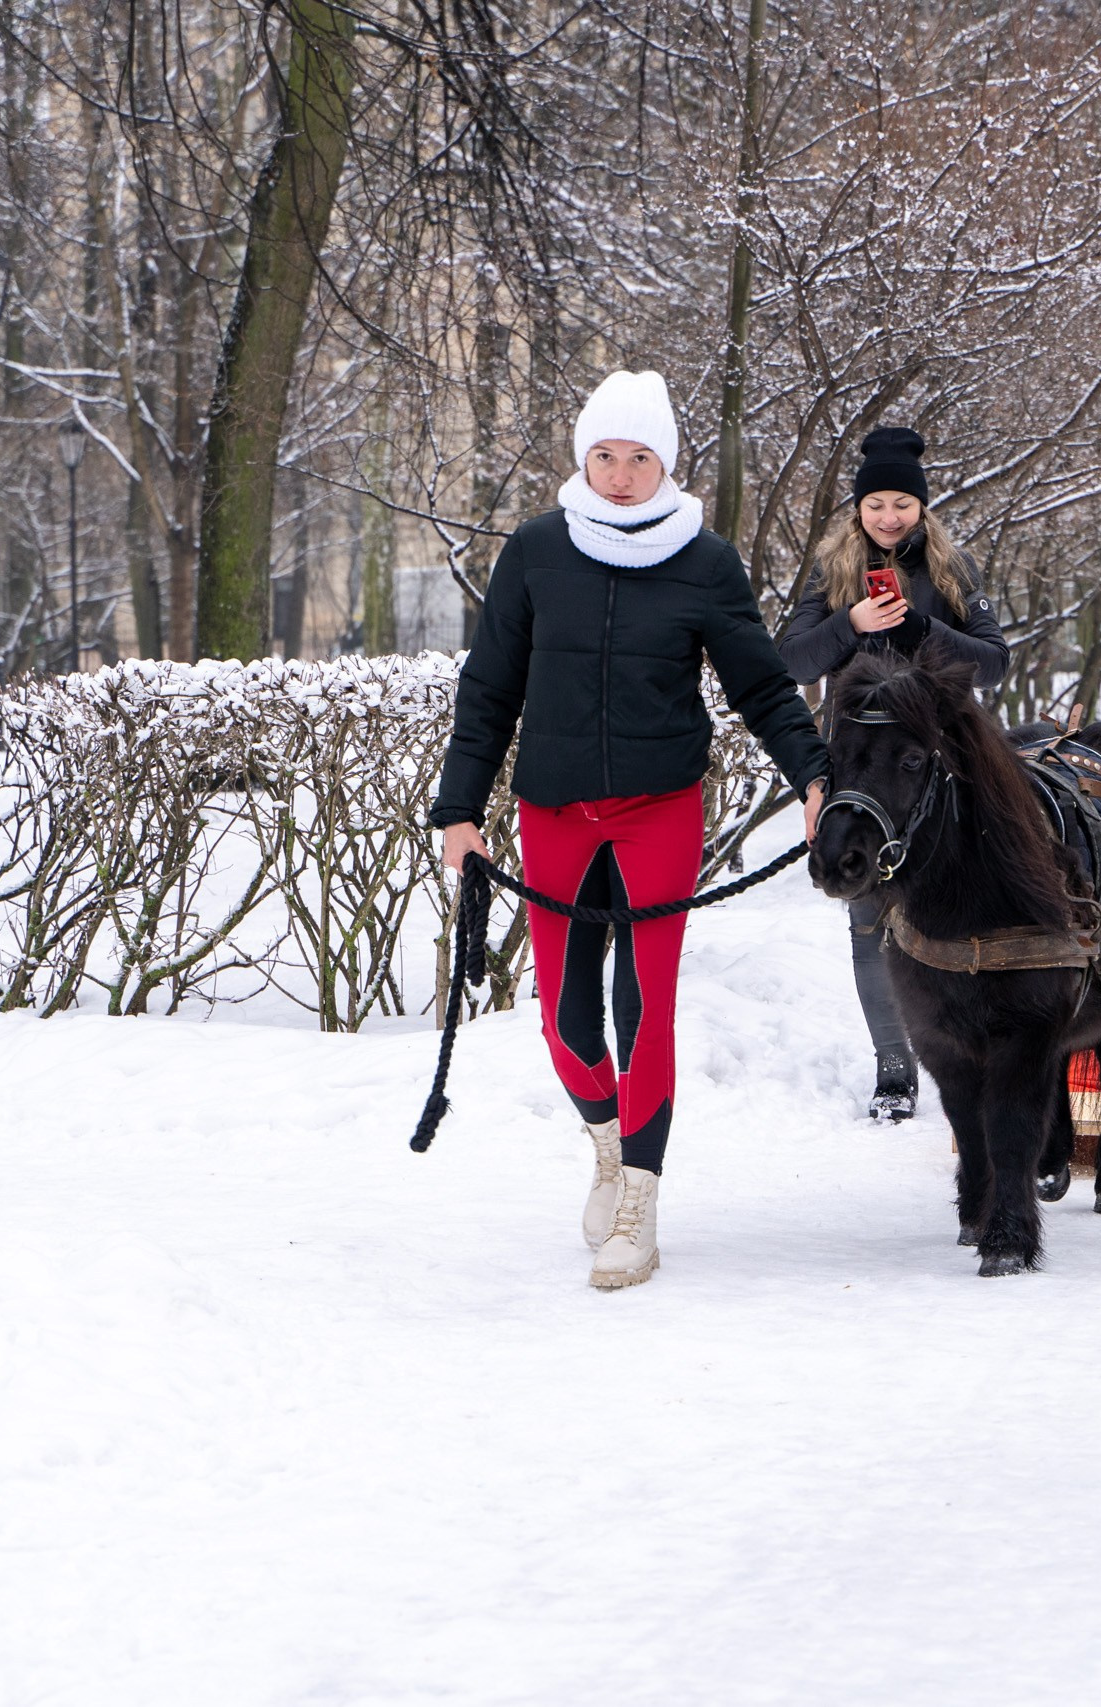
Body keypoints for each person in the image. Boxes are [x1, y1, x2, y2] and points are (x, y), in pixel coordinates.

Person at [430, 370, 830, 1290]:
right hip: (554, 807)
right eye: (603, 455)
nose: (618, 474)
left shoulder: (706, 560)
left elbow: (762, 686)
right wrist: (459, 806)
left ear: (665, 464)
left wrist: (813, 775)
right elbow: (489, 688)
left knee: (641, 1003)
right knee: (567, 1019)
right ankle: (606, 1147)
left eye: (638, 458)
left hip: (659, 809)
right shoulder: (536, 550)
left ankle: (641, 1198)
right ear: (582, 458)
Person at [775, 426, 1008, 1122]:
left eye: (902, 504)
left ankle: (980, 1049)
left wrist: (922, 632)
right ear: (858, 508)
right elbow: (789, 663)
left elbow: (996, 661)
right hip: (859, 766)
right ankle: (895, 1068)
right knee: (869, 916)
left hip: (942, 761)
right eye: (876, 503)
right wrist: (851, 620)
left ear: (922, 509)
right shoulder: (831, 571)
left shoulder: (951, 569)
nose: (889, 517)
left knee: (965, 908)